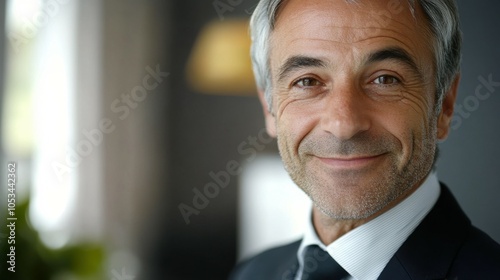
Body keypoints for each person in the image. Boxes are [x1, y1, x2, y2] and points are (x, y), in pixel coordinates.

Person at [229, 0, 500, 279]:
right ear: (269, 108)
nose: (343, 125)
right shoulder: (252, 272)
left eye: (385, 79)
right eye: (307, 82)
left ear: (444, 105)